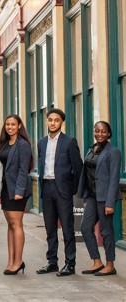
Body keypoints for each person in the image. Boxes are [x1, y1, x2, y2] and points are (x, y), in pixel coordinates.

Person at [36, 108, 83, 277]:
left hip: (63, 189)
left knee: (67, 228)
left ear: (62, 122)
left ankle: (70, 264)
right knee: (50, 228)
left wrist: (73, 190)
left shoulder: (69, 142)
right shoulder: (41, 142)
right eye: (50, 119)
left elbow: (78, 168)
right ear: (47, 121)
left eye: (56, 120)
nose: (53, 123)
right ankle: (52, 262)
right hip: (47, 188)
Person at [78, 121, 121, 276]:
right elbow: (86, 173)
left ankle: (110, 264)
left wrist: (110, 203)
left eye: (103, 131)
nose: (100, 134)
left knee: (106, 230)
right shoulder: (91, 149)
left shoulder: (113, 152)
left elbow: (114, 178)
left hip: (104, 198)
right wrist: (84, 194)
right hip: (91, 196)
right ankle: (97, 261)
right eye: (97, 131)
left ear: (108, 133)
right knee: (85, 227)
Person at [0, 115, 34, 275]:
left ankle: (18, 261)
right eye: (7, 124)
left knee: (16, 224)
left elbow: (23, 169)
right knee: (10, 225)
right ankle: (11, 260)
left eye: (13, 124)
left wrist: (19, 191)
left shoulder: (23, 145)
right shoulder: (4, 143)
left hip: (18, 190)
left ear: (19, 126)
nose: (10, 127)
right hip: (6, 188)